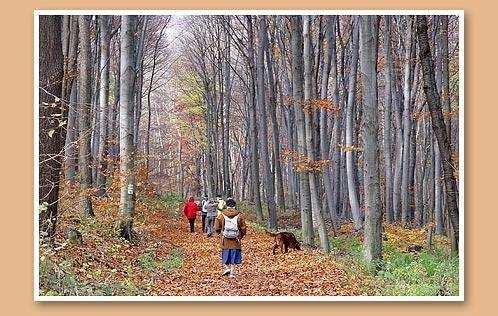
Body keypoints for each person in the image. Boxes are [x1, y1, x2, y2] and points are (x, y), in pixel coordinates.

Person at [214, 198, 247, 278]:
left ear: (226, 205)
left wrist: (219, 233)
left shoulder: (221, 215)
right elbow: (243, 228)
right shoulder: (239, 215)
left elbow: (217, 227)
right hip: (236, 240)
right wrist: (240, 236)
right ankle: (232, 273)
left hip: (225, 239)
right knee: (234, 255)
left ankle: (226, 268)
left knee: (225, 254)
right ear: (234, 205)